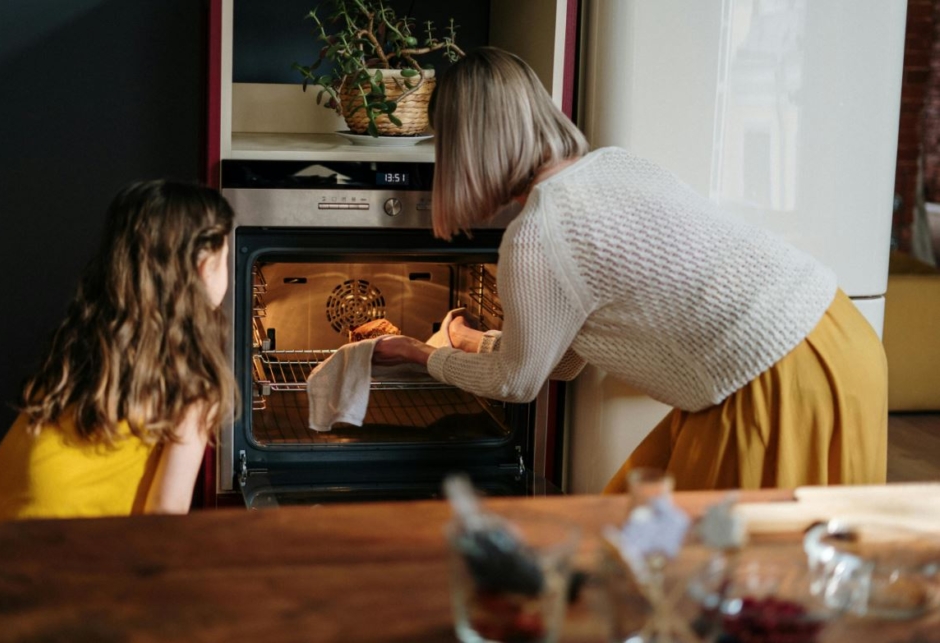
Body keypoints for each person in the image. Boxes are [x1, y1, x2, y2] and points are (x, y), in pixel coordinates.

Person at [373, 46, 887, 493]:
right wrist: (465, 340)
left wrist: (417, 354)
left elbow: (517, 383)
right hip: (839, 339)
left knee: (728, 575)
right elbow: (564, 359)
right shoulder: (617, 165)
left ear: (467, 146)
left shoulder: (536, 235)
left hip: (774, 385)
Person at [0, 180, 237, 616]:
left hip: (4, 544)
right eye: (227, 256)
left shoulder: (88, 335)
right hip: (75, 563)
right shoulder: (192, 378)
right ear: (201, 266)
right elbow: (166, 513)